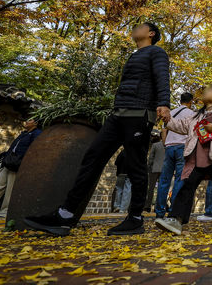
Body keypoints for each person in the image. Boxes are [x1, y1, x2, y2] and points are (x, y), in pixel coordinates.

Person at [24, 22, 170, 236]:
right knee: (92, 158)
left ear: (151, 33)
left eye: (140, 26)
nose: (134, 28)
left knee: (136, 166)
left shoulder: (156, 52)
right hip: (118, 115)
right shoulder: (134, 55)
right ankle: (65, 215)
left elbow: (162, 77)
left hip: (138, 115)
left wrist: (164, 103)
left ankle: (135, 218)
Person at [154, 85, 212, 235]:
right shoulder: (195, 116)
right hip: (195, 158)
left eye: (210, 90)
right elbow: (181, 126)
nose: (205, 92)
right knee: (186, 187)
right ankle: (176, 219)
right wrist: (168, 120)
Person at [156, 93, 195, 219]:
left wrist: (165, 144)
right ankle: (173, 211)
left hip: (169, 147)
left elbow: (163, 130)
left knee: (164, 180)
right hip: (182, 147)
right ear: (191, 102)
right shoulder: (191, 114)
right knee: (180, 179)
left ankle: (159, 212)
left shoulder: (170, 112)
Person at [144, 132, 164, 212]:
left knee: (151, 188)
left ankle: (148, 206)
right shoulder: (168, 146)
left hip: (154, 169)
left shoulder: (155, 145)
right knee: (161, 189)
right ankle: (158, 207)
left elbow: (151, 158)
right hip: (164, 170)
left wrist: (149, 167)